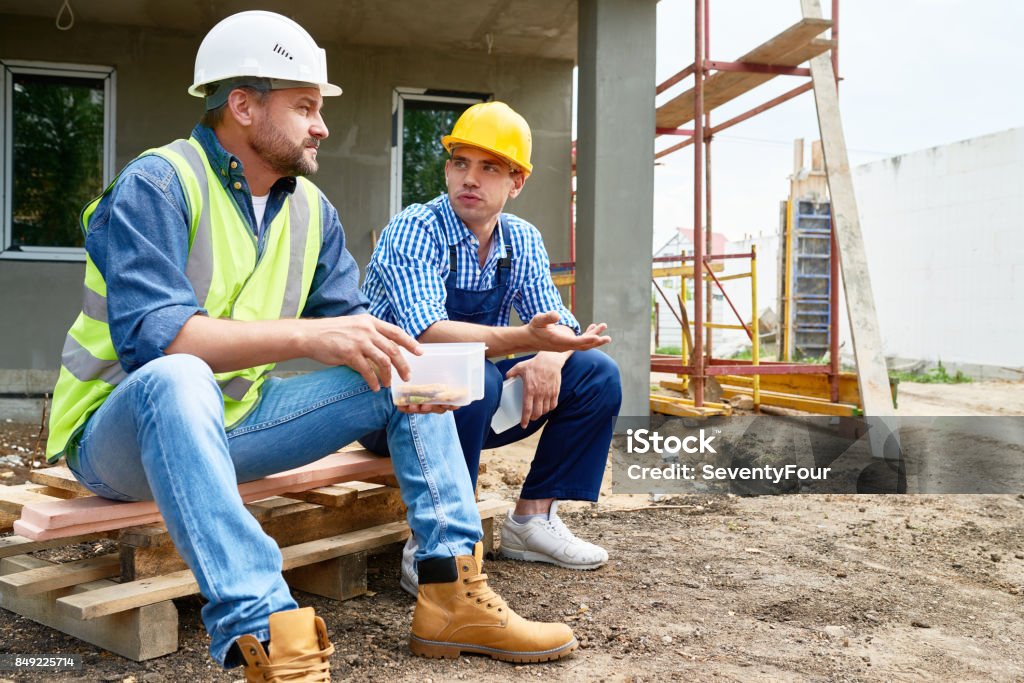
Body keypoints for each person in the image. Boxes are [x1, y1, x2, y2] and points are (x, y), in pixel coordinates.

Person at [44, 12, 577, 678]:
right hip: (120, 435)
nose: (321, 126)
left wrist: (405, 384)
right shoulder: (158, 185)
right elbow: (163, 340)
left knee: (407, 364)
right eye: (304, 107)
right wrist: (309, 334)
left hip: (241, 423)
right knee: (178, 376)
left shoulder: (309, 211)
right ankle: (267, 633)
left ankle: (449, 588)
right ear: (242, 105)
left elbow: (365, 339)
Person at [361, 101, 622, 595]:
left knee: (595, 373)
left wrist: (550, 356)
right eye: (460, 163)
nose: (470, 179)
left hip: (467, 408)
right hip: (389, 405)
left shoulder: (520, 240)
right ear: (447, 169)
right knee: (472, 377)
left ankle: (532, 523)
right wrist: (530, 340)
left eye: (489, 167)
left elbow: (558, 321)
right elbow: (428, 333)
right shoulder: (415, 229)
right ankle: (433, 543)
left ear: (516, 182)